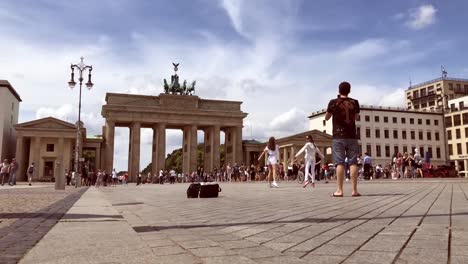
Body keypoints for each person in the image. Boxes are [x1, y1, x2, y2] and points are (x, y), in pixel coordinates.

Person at [325, 81, 361, 197]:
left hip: (338, 136)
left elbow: (327, 117)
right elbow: (356, 117)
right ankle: (354, 191)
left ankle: (339, 190)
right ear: (349, 90)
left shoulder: (333, 102)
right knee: (353, 162)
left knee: (339, 163)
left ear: (339, 90)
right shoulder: (355, 102)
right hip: (352, 136)